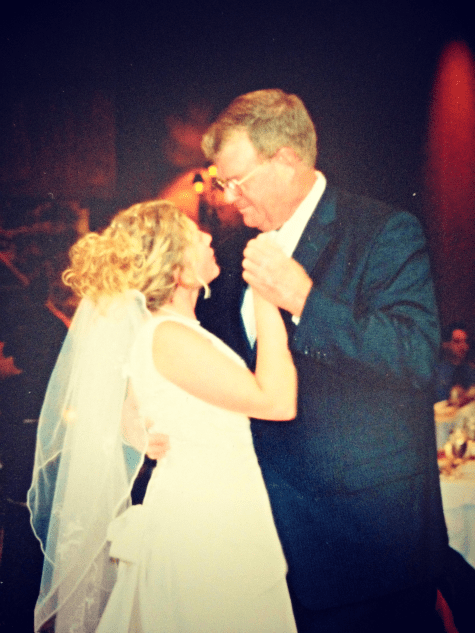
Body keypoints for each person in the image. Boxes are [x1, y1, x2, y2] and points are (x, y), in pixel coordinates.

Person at [197, 89, 449, 633]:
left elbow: (416, 357)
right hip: (262, 540)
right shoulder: (233, 248)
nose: (228, 198)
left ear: (287, 159)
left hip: (364, 549)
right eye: (222, 183)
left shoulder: (383, 231)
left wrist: (306, 301)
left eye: (237, 180)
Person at [27, 200, 298, 633]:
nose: (208, 236)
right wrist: (267, 299)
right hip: (206, 522)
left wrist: (138, 430)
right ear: (174, 266)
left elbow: (134, 410)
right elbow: (277, 402)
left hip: (215, 509)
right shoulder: (168, 336)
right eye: (194, 236)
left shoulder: (169, 332)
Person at [434, 322, 475, 403]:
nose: (464, 347)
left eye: (465, 341)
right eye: (457, 342)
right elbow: (441, 401)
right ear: (445, 345)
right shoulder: (437, 372)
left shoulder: (469, 369)